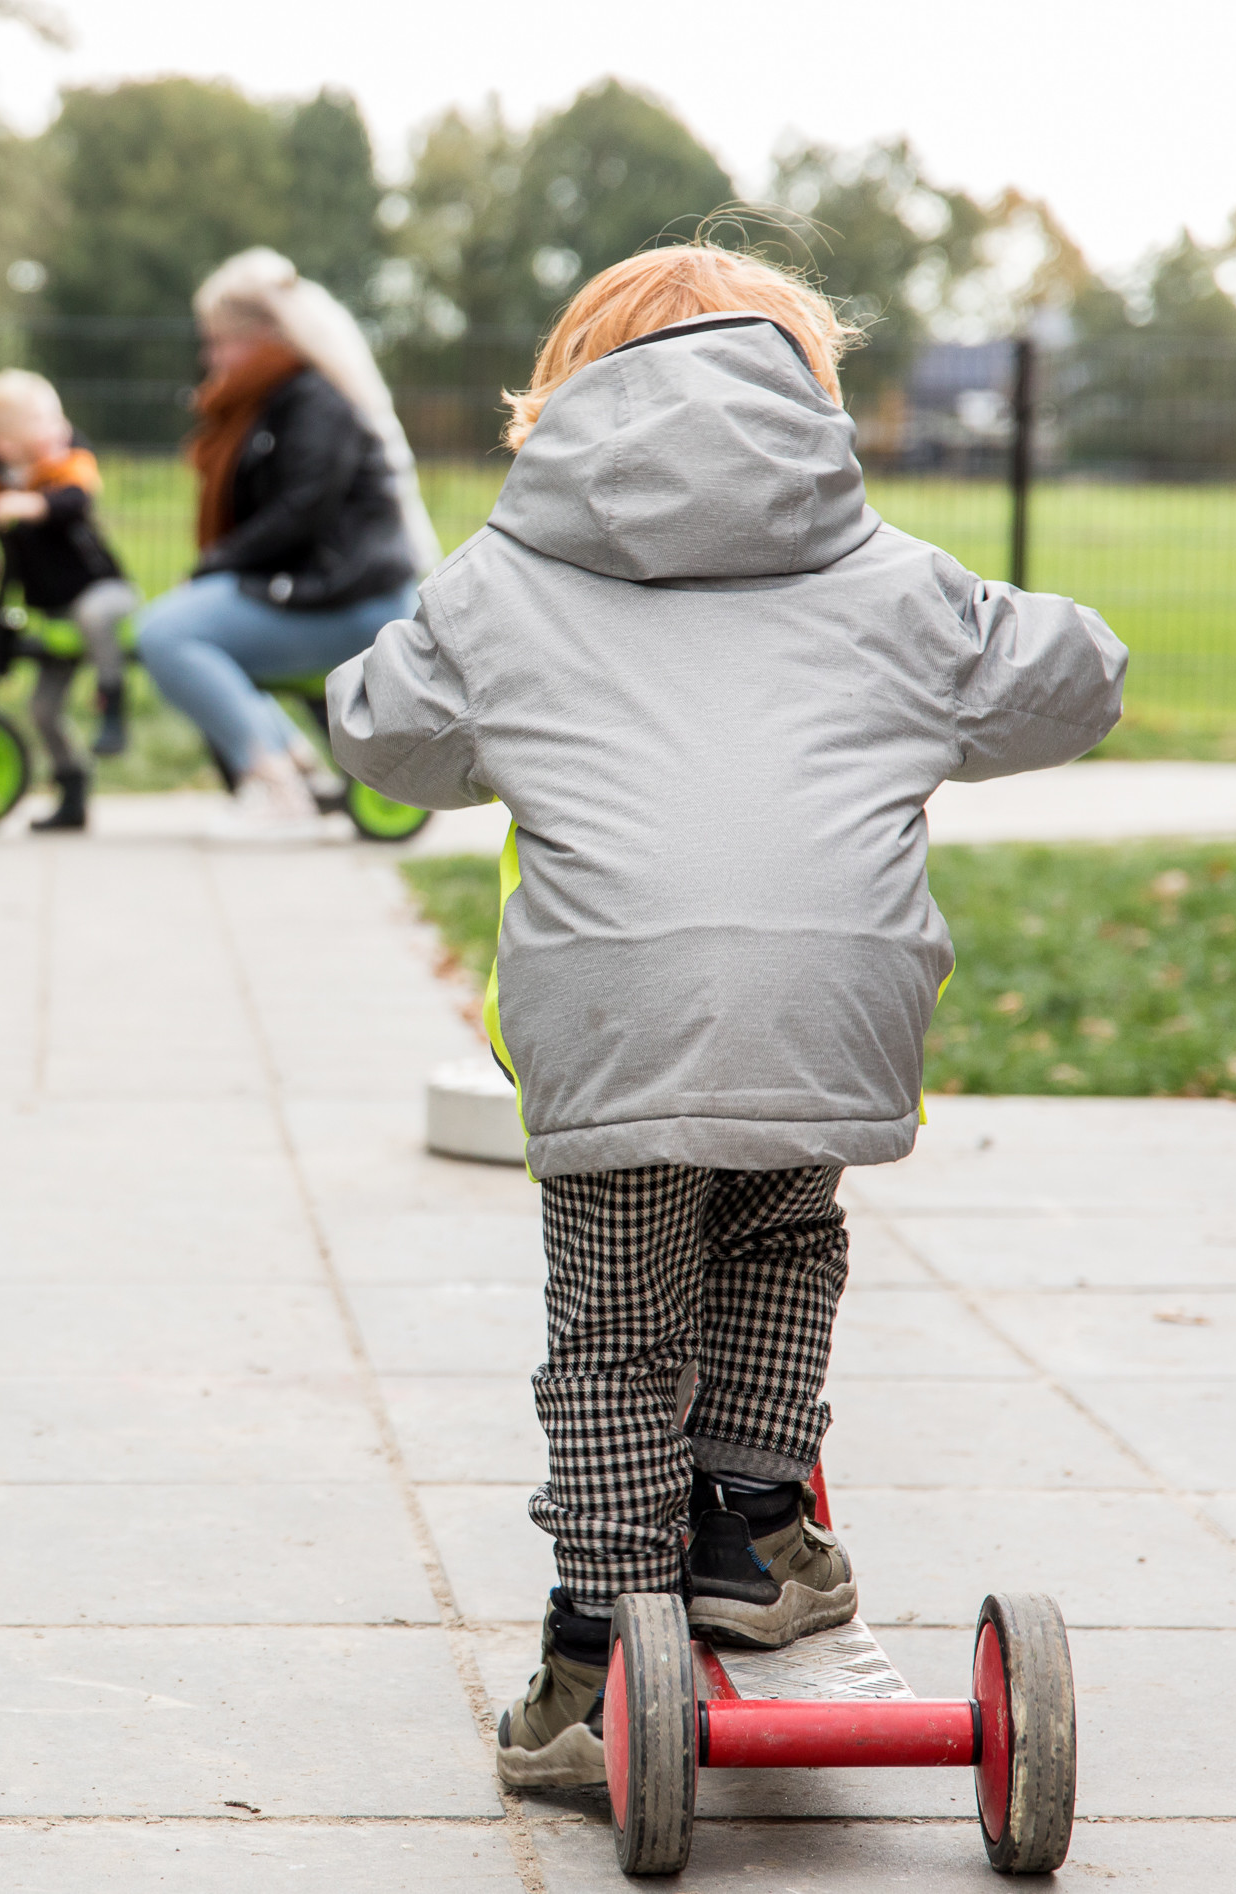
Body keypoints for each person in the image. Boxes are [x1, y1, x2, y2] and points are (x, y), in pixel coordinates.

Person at [326, 242, 1128, 1789]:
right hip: (828, 1011)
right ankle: (753, 1530)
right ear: (805, 400)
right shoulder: (894, 581)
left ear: (560, 406)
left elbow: (379, 730)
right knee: (780, 1238)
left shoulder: (504, 586)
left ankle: (596, 1645)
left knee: (617, 1333)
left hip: (613, 1025)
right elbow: (1076, 679)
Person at [134, 247, 440, 840]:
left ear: (263, 336)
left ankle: (273, 782)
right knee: (173, 625)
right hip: (329, 587)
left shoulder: (315, 402)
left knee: (166, 635)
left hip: (351, 598)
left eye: (219, 342)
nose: (210, 359)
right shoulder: (289, 398)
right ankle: (295, 766)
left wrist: (212, 568)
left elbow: (299, 512)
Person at [0, 369, 140, 832]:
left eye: (58, 416)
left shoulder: (70, 459)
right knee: (43, 710)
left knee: (94, 615)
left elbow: (78, 497)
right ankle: (72, 791)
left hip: (104, 591)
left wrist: (32, 504)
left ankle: (112, 705)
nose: (61, 427)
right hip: (53, 611)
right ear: (4, 444)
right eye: (45, 420)